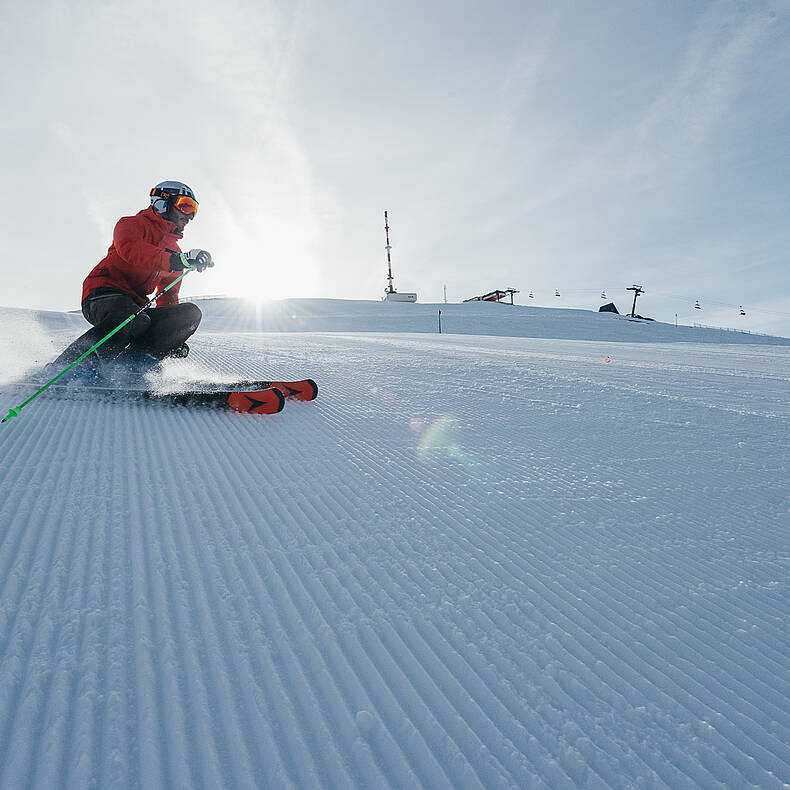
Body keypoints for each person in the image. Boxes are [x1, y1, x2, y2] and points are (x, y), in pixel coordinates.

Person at [50, 180, 214, 376]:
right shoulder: (131, 225)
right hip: (103, 294)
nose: (189, 216)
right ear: (162, 202)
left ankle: (130, 369)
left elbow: (168, 300)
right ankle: (69, 368)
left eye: (194, 210)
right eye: (185, 206)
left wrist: (172, 336)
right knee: (133, 318)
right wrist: (178, 260)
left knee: (189, 313)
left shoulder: (175, 254)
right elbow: (132, 251)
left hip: (137, 310)